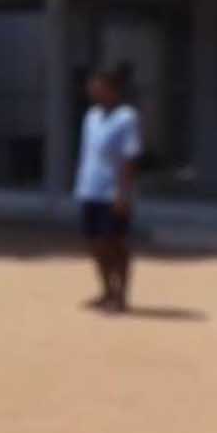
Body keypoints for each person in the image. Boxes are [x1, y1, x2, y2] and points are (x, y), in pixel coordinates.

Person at [74, 65, 143, 313]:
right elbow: (87, 153)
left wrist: (122, 194)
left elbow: (129, 157)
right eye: (92, 88)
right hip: (90, 189)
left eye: (99, 88)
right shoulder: (90, 117)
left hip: (112, 191)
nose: (94, 92)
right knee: (94, 243)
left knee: (114, 242)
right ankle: (106, 291)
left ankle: (122, 295)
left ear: (113, 90)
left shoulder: (126, 117)